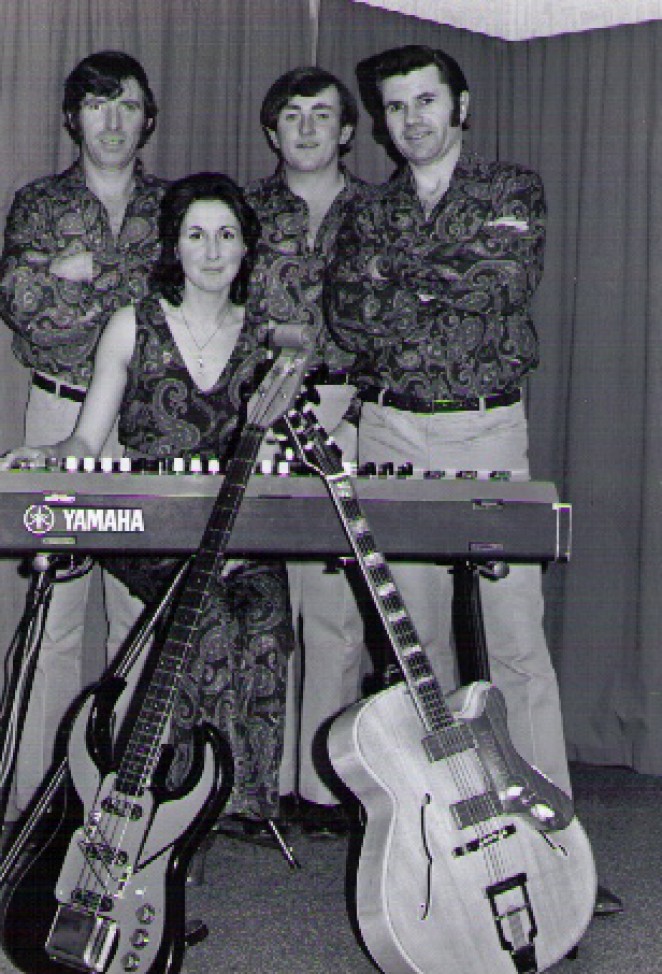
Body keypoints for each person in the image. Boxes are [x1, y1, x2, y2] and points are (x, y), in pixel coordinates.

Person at [0, 171, 293, 830]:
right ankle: (179, 804)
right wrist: (45, 456)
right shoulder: (133, 325)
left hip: (238, 530)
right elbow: (84, 439)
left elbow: (280, 446)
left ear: (246, 247)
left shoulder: (267, 338)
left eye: (227, 235)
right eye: (196, 235)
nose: (212, 251)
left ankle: (237, 799)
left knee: (267, 622)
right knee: (204, 614)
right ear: (173, 245)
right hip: (152, 529)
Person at [325, 43, 571, 795]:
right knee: (415, 649)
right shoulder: (366, 210)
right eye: (396, 106)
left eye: (426, 101)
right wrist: (445, 273)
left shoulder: (511, 188)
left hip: (485, 430)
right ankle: (439, 822)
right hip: (390, 430)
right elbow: (348, 317)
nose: (411, 119)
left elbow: (501, 282)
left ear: (460, 106)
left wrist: (393, 276)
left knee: (514, 637)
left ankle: (548, 826)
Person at [0, 50, 167, 813]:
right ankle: (37, 802)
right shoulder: (40, 203)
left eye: (127, 104)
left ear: (148, 118)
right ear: (73, 118)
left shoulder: (175, 208)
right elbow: (24, 308)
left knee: (139, 615)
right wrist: (122, 294)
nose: (112, 121)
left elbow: (180, 316)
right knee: (56, 613)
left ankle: (127, 803)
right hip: (60, 416)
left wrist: (80, 279)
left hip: (148, 424)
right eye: (98, 105)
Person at [245, 67, 371, 837]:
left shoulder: (381, 211)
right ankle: (259, 788)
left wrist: (362, 394)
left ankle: (323, 789)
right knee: (264, 606)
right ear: (272, 130)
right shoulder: (243, 212)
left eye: (322, 114)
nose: (307, 127)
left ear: (347, 129)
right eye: (291, 114)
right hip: (262, 411)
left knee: (335, 610)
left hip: (350, 408)